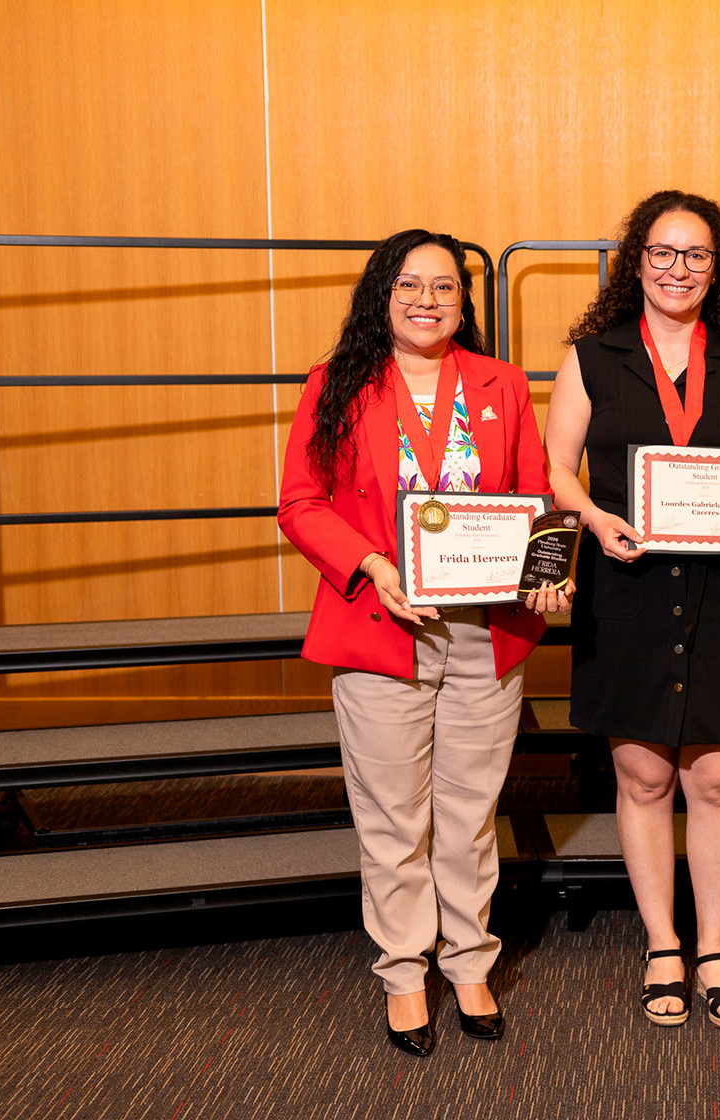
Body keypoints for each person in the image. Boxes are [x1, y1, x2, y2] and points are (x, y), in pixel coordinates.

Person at [277, 229, 570, 1055]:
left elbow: (533, 497)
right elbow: (301, 503)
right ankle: (405, 974)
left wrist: (546, 569)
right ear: (382, 293)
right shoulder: (336, 384)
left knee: (471, 814)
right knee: (393, 819)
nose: (428, 301)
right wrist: (370, 563)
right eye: (410, 285)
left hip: (486, 629)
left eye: (445, 287)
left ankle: (471, 961)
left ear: (463, 302)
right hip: (383, 626)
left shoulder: (501, 383)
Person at [543, 190, 720, 1030]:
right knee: (642, 774)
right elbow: (557, 471)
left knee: (716, 776)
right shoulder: (591, 357)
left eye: (697, 255)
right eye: (664, 252)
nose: (679, 269)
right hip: (629, 582)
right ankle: (662, 946)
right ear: (635, 260)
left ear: (717, 270)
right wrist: (594, 518)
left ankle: (713, 947)